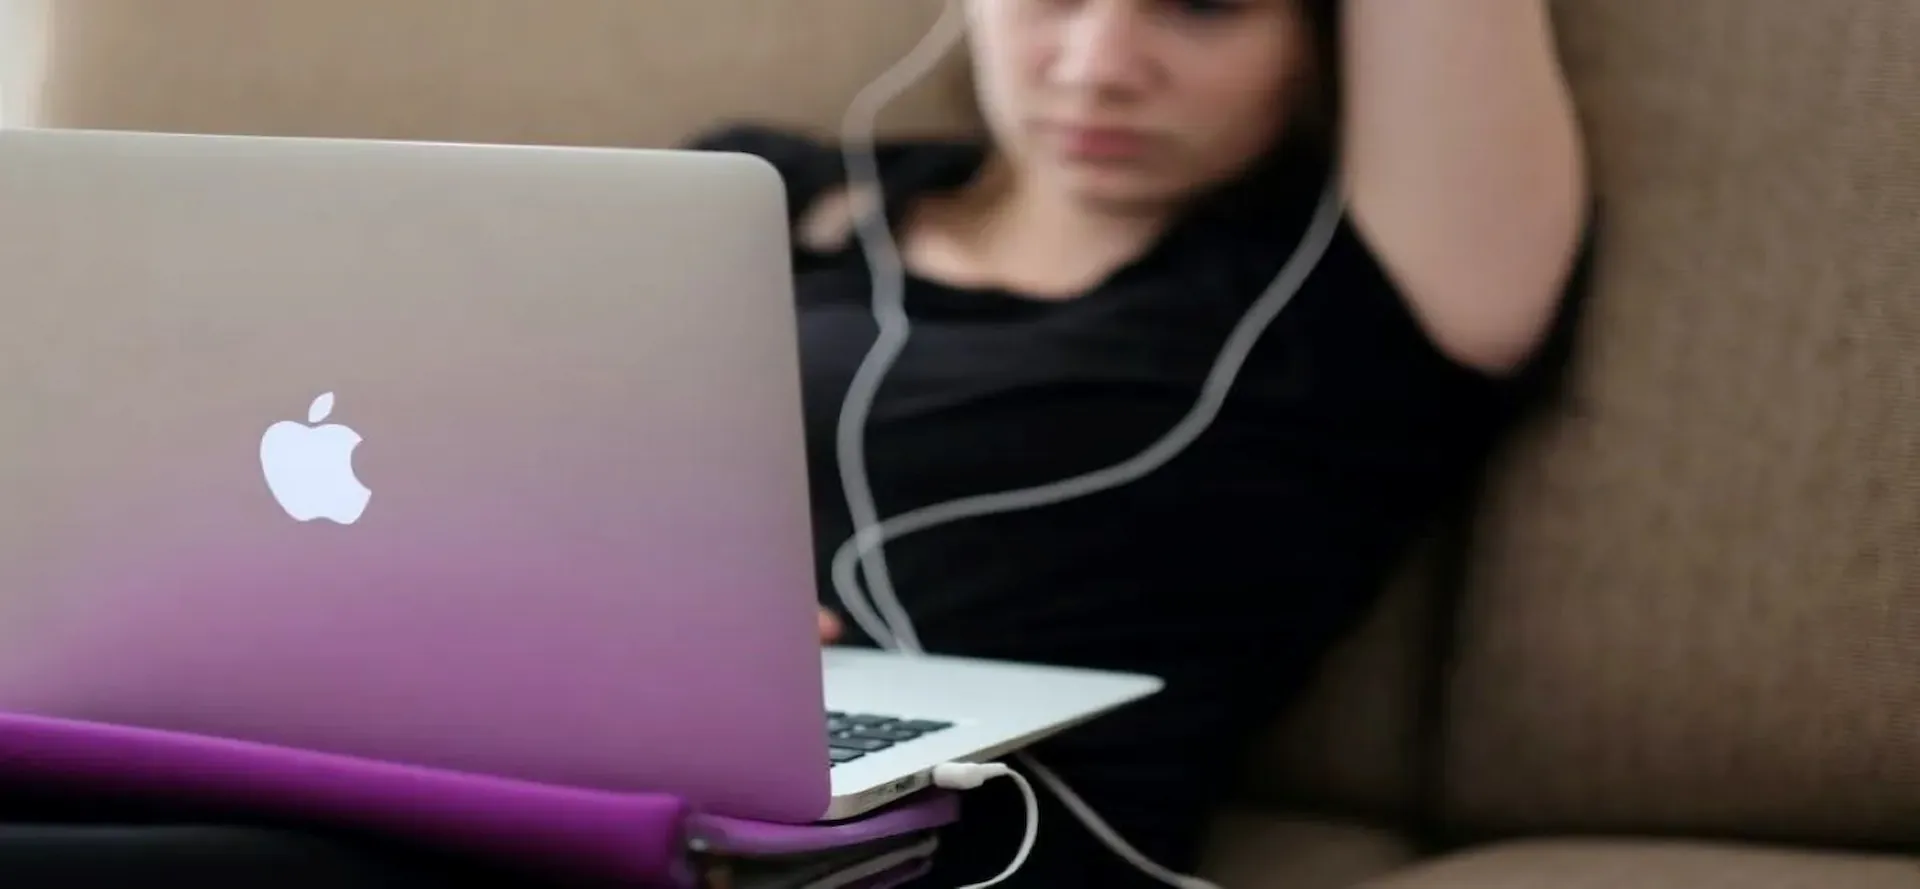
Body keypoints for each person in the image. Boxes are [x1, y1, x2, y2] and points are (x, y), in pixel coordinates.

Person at [694, 0, 1593, 886]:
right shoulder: (766, 194)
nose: (1099, 67)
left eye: (1202, 8)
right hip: (623, 762)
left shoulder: (1358, 290)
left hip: (955, 851)